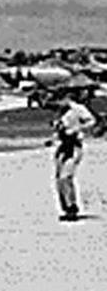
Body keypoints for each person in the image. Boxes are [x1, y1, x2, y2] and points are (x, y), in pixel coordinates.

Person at [50, 92, 97, 221]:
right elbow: (59, 128)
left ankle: (72, 206)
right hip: (62, 146)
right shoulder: (61, 111)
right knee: (59, 180)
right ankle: (65, 208)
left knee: (66, 176)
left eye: (59, 99)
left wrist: (77, 129)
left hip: (74, 145)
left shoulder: (78, 109)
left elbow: (92, 121)